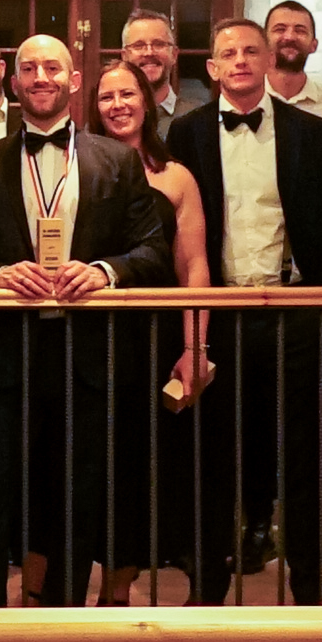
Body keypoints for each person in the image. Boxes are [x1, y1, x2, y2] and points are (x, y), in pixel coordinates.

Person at [0, 34, 171, 610]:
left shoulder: (116, 159)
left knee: (76, 499)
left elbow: (153, 248)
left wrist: (106, 271)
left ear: (72, 81)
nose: (40, 76)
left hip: (86, 356)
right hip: (2, 356)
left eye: (52, 67)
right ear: (14, 83)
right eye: (28, 67)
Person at [168, 19, 322, 605]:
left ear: (270, 59)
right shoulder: (187, 132)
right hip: (218, 312)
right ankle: (209, 586)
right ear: (213, 69)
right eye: (228, 53)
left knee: (301, 456)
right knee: (213, 456)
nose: (241, 60)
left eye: (251, 50)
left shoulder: (310, 130)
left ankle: (307, 585)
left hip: (294, 310)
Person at [88, 59, 211, 603]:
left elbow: (194, 267)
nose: (117, 105)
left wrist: (194, 346)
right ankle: (53, 595)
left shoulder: (177, 176)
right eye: (106, 96)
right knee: (81, 461)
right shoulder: (80, 166)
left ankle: (118, 591)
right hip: (87, 334)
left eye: (127, 94)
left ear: (147, 101)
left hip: (150, 337)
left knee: (136, 466)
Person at [121, 9, 208, 145]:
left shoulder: (199, 117)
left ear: (174, 54)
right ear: (124, 56)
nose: (149, 52)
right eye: (139, 45)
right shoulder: (113, 118)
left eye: (159, 44)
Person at [264, 1, 322, 117]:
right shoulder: (246, 98)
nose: (290, 37)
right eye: (280, 29)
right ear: (263, 41)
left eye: (300, 31)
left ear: (313, 45)